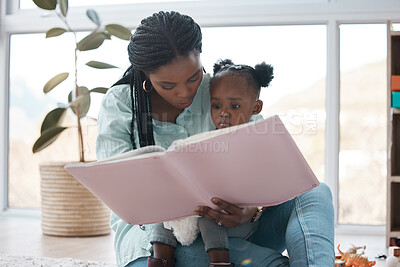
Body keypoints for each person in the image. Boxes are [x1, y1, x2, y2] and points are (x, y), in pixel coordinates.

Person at [96, 10, 335, 267]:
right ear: (145, 74)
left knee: (316, 192)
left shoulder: (222, 91)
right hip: (157, 244)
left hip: (239, 231)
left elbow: (267, 164)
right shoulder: (121, 103)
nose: (185, 92)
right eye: (168, 85)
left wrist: (249, 212)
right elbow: (121, 194)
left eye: (193, 77)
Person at [149, 59, 274, 267]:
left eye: (234, 106)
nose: (223, 113)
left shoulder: (255, 142)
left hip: (235, 219)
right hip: (200, 210)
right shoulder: (208, 139)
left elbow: (265, 185)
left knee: (210, 217)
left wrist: (249, 208)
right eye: (216, 106)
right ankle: (160, 261)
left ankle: (220, 263)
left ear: (255, 107)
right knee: (166, 214)